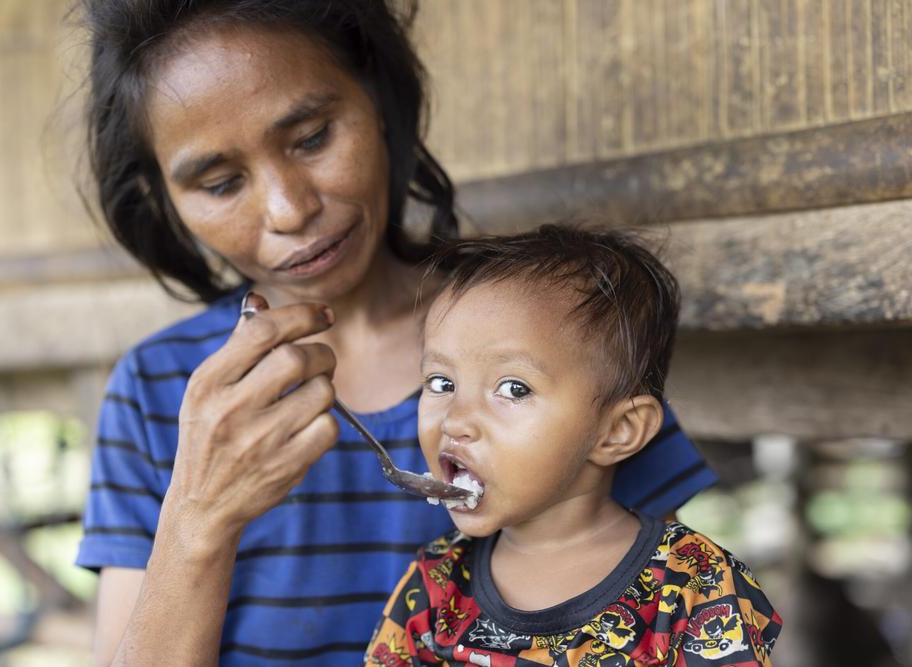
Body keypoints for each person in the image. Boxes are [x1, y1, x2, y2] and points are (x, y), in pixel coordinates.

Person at [74, 1, 718, 665]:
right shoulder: (158, 392)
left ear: (378, 98)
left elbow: (655, 624)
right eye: (220, 183)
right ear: (164, 200)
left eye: (312, 138)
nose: (290, 209)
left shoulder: (561, 335)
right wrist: (200, 518)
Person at [363, 225, 781, 667]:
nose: (455, 420)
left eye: (514, 388)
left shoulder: (692, 585)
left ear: (618, 431)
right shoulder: (435, 584)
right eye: (441, 383)